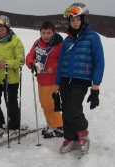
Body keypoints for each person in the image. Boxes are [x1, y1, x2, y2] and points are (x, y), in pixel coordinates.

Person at [56, 3, 105, 154]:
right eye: (72, 20)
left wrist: (95, 85)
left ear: (84, 19)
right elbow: (60, 62)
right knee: (66, 109)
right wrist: (57, 82)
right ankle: (71, 138)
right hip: (65, 79)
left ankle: (82, 132)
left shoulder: (93, 37)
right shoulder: (67, 40)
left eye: (78, 19)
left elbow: (99, 61)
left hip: (81, 80)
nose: (75, 22)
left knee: (71, 108)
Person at [26, 21, 64, 138]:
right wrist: (31, 63)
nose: (46, 35)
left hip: (52, 80)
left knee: (50, 104)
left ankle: (59, 126)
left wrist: (54, 67)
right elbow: (30, 56)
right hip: (41, 79)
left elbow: (63, 60)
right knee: (43, 104)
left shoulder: (59, 45)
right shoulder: (38, 43)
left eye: (48, 33)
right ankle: (50, 124)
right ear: (40, 33)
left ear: (54, 33)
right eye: (43, 33)